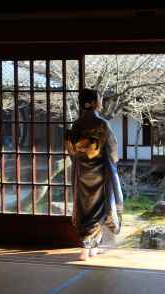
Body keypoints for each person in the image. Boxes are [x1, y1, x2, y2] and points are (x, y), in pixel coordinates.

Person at [65, 88, 123, 261]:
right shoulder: (102, 124)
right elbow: (112, 150)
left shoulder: (76, 125)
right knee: (98, 208)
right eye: (99, 99)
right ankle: (91, 247)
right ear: (92, 102)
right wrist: (112, 162)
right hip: (99, 171)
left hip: (81, 171)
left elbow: (72, 151)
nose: (101, 102)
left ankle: (86, 246)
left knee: (84, 207)